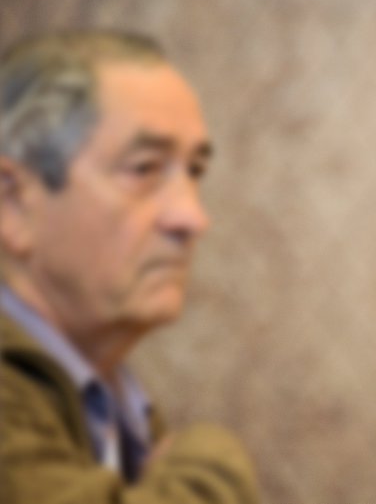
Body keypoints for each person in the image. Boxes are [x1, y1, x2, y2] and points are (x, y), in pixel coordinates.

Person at [0, 29, 259, 503]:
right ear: (13, 202)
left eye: (194, 172)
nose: (192, 217)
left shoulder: (112, 405)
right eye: (143, 169)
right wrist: (210, 464)